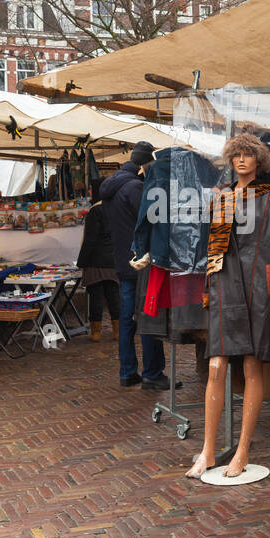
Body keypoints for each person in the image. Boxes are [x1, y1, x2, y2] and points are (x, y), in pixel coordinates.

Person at [186, 134, 270, 479]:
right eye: (237, 155)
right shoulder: (220, 199)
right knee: (216, 365)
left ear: (259, 161)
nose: (242, 160)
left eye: (248, 155)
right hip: (224, 286)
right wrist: (207, 286)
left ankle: (244, 449)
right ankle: (207, 449)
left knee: (252, 366)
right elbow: (210, 250)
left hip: (259, 288)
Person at [101, 141, 175, 389]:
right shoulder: (136, 188)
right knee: (148, 318)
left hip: (122, 261)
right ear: (146, 162)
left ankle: (127, 372)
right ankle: (152, 373)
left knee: (126, 319)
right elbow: (149, 221)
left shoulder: (112, 188)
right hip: (140, 262)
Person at [77, 177, 120, 342]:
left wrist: (82, 262)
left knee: (95, 297)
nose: (89, 192)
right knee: (114, 297)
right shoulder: (116, 208)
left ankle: (96, 333)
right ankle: (117, 332)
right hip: (113, 260)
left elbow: (90, 240)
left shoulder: (95, 211)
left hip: (96, 261)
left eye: (90, 189)